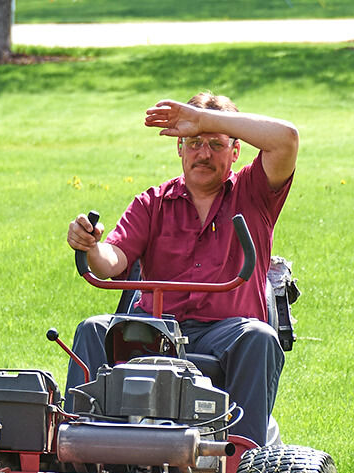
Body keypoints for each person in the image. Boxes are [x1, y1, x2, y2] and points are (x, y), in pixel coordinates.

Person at [65, 92, 299, 447]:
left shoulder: (254, 192)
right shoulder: (153, 202)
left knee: (260, 337)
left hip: (226, 331)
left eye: (216, 145)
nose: (203, 154)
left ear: (236, 151)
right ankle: (81, 446)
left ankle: (241, 458)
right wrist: (91, 245)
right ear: (179, 148)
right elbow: (112, 261)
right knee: (93, 329)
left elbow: (287, 139)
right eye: (194, 143)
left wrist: (203, 121)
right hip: (156, 328)